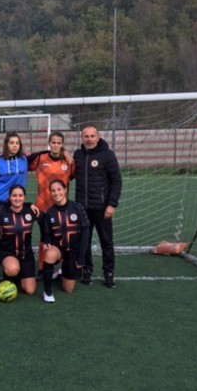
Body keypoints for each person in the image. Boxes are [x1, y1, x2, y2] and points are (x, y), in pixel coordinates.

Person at [73, 125, 122, 288]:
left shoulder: (108, 155)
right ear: (82, 138)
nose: (89, 139)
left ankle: (109, 272)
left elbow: (116, 181)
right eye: (86, 136)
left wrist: (112, 204)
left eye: (92, 136)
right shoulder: (77, 155)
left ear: (98, 137)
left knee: (106, 241)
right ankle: (87, 270)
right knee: (84, 241)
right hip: (82, 208)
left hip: (102, 208)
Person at [28, 131, 76, 276]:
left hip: (62, 208)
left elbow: (72, 177)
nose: (56, 145)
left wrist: (67, 154)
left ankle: (62, 268)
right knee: (45, 237)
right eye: (53, 142)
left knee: (62, 238)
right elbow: (26, 160)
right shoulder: (40, 159)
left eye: (59, 143)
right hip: (43, 206)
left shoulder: (68, 162)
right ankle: (42, 268)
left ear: (62, 144)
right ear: (49, 143)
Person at [40, 179, 91, 301]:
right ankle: (47, 293)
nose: (56, 193)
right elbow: (46, 233)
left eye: (59, 189)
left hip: (73, 250)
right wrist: (47, 243)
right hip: (59, 249)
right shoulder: (49, 212)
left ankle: (60, 274)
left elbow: (86, 232)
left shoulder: (77, 207)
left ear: (65, 190)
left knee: (68, 289)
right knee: (50, 254)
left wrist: (81, 257)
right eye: (53, 191)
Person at [0, 185, 41, 296]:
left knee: (30, 290)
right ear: (9, 197)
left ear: (24, 197)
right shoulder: (1, 213)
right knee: (12, 268)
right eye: (14, 195)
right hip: (8, 253)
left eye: (20, 195)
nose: (17, 198)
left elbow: (46, 221)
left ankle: (20, 274)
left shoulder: (31, 211)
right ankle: (9, 276)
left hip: (26, 255)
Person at [0, 132, 36, 205]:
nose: (15, 145)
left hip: (16, 201)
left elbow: (44, 155)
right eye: (11, 143)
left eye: (17, 143)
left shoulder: (25, 159)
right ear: (6, 145)